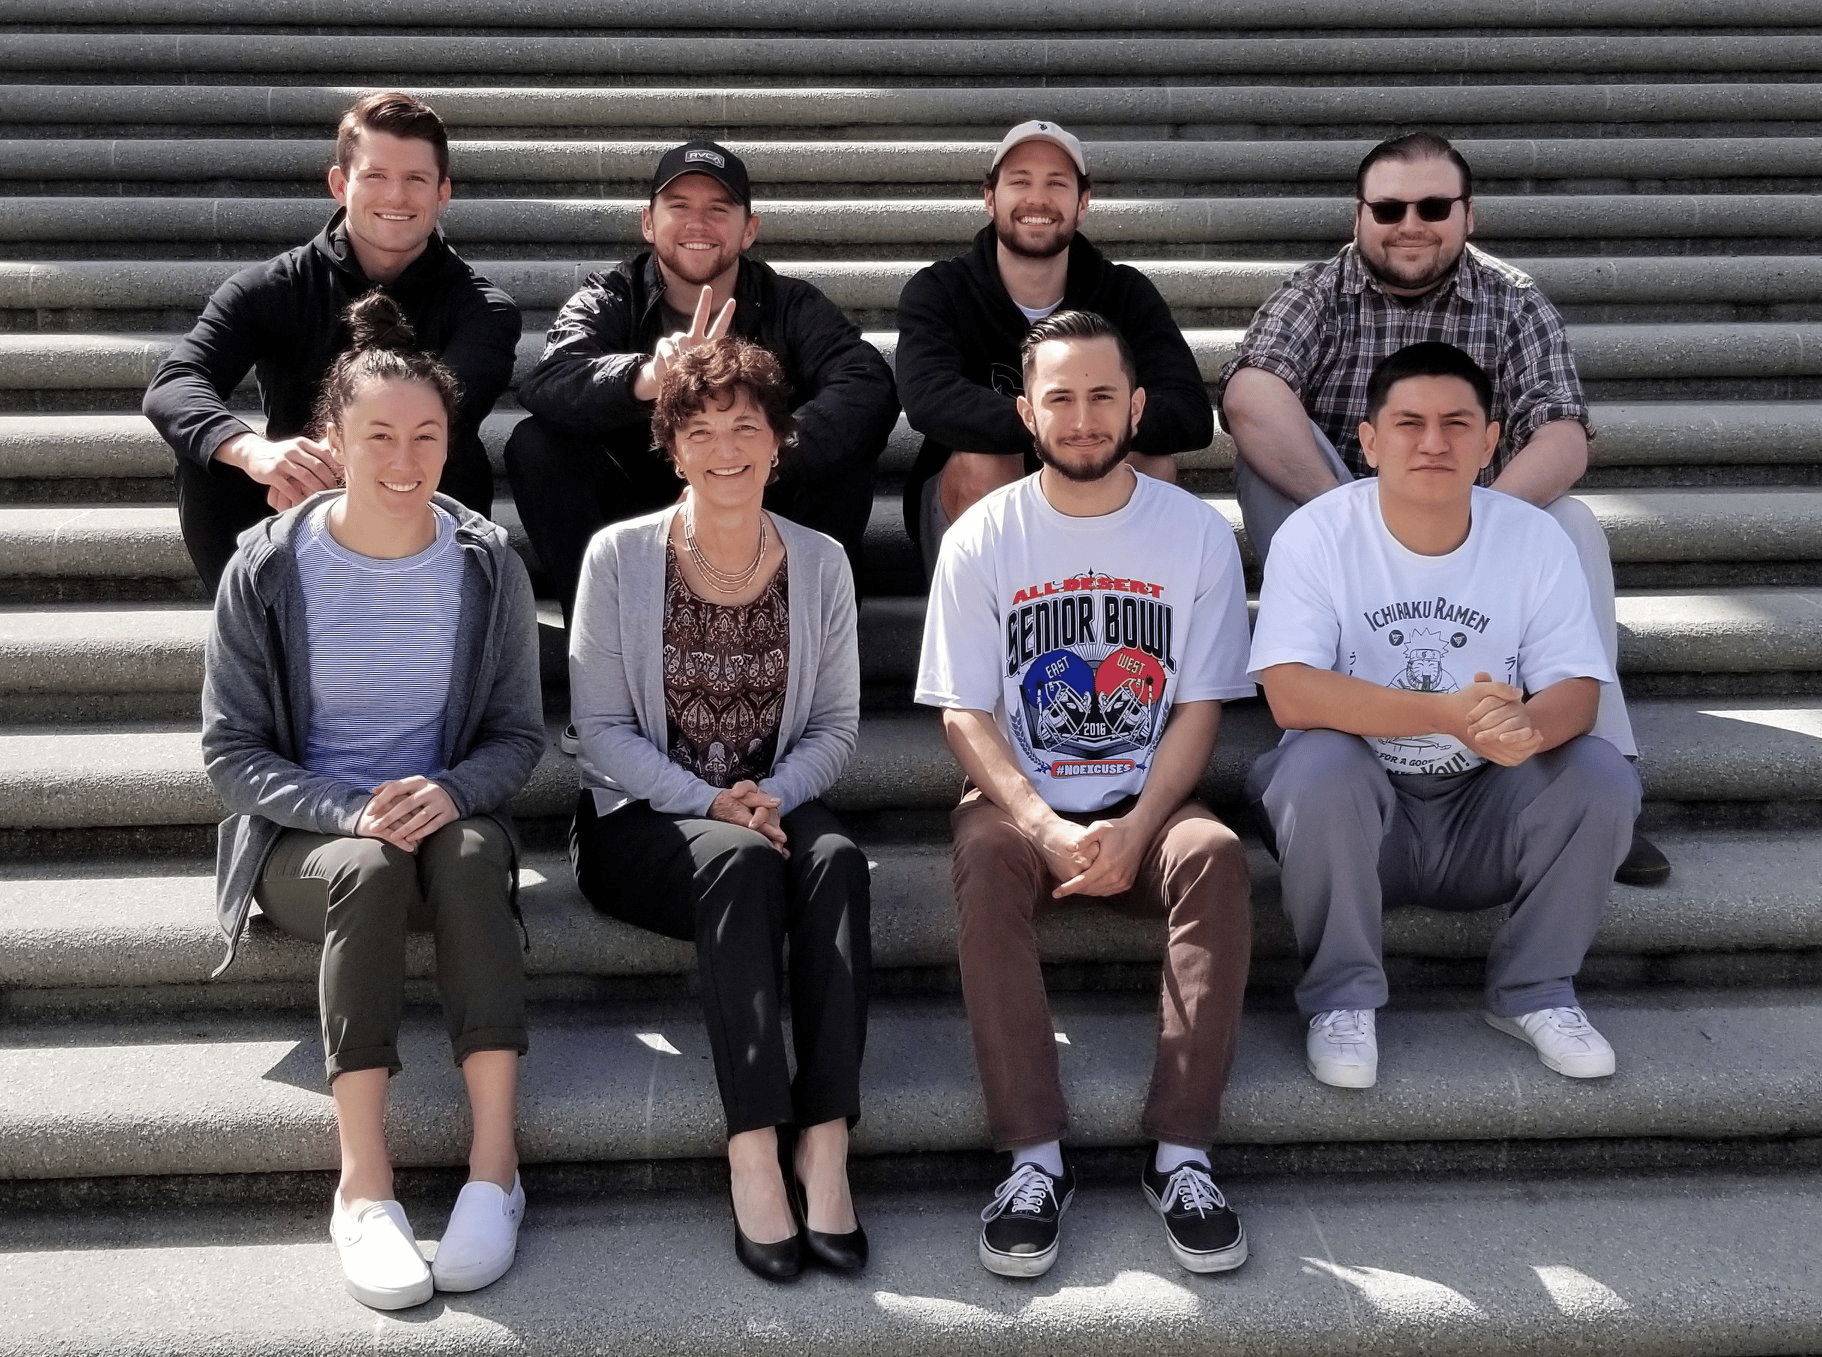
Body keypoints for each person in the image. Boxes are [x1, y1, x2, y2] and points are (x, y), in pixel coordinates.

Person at [200, 294, 545, 1310]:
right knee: (368, 862)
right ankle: (364, 1183)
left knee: (478, 855)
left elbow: (518, 738)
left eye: (427, 434)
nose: (406, 456)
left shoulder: (485, 563)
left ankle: (495, 1168)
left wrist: (446, 789)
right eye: (379, 435)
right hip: (313, 846)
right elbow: (229, 753)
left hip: (447, 833)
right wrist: (349, 811)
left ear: (452, 440)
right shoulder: (265, 568)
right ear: (331, 440)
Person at [1215, 130, 1668, 888]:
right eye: (1388, 207)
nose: (1410, 223)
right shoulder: (1315, 292)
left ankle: (1603, 769)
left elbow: (1561, 428)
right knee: (1257, 452)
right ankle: (1320, 736)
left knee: (1574, 523)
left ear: (1469, 214)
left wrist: (1475, 522)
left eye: (1433, 205)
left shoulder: (1512, 300)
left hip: (1472, 519)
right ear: (1359, 216)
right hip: (1343, 523)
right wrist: (1359, 518)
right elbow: (1249, 390)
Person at [916, 310, 1254, 1279]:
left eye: (1102, 394)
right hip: (1022, 800)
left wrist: (1139, 823)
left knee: (1216, 856)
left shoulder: (1192, 533)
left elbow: (1197, 705)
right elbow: (962, 712)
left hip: (1147, 795)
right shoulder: (984, 534)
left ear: (1137, 405)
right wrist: (1038, 820)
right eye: (1059, 397)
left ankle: (1182, 1153)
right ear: (1026, 411)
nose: (1082, 416)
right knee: (983, 856)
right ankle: (1032, 1157)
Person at [1245, 341, 1641, 1092]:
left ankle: (1535, 990)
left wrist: (1523, 727)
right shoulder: (1319, 533)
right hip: (1361, 820)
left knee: (1599, 772)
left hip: (1481, 811)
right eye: (1409, 422)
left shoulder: (1533, 538)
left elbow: (1577, 695)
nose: (1433, 442)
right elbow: (1291, 692)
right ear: (1367, 440)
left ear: (1491, 440)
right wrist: (1448, 714)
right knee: (1318, 762)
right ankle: (1341, 997)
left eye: (1458, 423)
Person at [567, 335, 870, 1283]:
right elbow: (600, 730)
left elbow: (839, 727)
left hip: (770, 805)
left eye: (747, 425)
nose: (726, 447)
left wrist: (769, 795)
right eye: (700, 429)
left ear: (780, 439)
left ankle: (824, 1143)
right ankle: (753, 1149)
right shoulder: (618, 556)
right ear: (672, 445)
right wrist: (711, 802)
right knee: (738, 860)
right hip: (643, 825)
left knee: (837, 862)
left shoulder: (821, 563)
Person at [145, 90, 520, 595]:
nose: (396, 196)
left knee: (441, 445)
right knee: (209, 457)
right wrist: (255, 453)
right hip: (292, 501)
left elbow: (455, 404)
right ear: (340, 184)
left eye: (416, 179)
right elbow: (176, 382)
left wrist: (338, 462)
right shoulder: (271, 286)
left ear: (442, 192)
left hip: (412, 499)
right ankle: (254, 624)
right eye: (376, 177)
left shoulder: (484, 308)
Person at [509, 139, 897, 621]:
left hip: (758, 495)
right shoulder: (610, 296)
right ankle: (603, 632)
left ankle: (801, 634)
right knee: (537, 445)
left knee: (843, 454)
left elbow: (866, 382)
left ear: (748, 229)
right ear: (648, 222)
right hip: (643, 498)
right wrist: (647, 376)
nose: (698, 224)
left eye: (719, 208)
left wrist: (767, 453)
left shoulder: (790, 304)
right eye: (679, 206)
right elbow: (550, 379)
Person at [896, 119, 1212, 574]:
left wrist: (1088, 436)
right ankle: (995, 630)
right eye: (1019, 182)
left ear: (1082, 203)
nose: (1037, 199)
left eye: (1056, 184)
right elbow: (928, 399)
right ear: (990, 198)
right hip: (971, 498)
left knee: (1152, 465)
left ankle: (1117, 619)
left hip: (1094, 483)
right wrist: (1062, 430)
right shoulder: (941, 290)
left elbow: (1190, 413)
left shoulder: (1124, 293)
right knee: (985, 463)